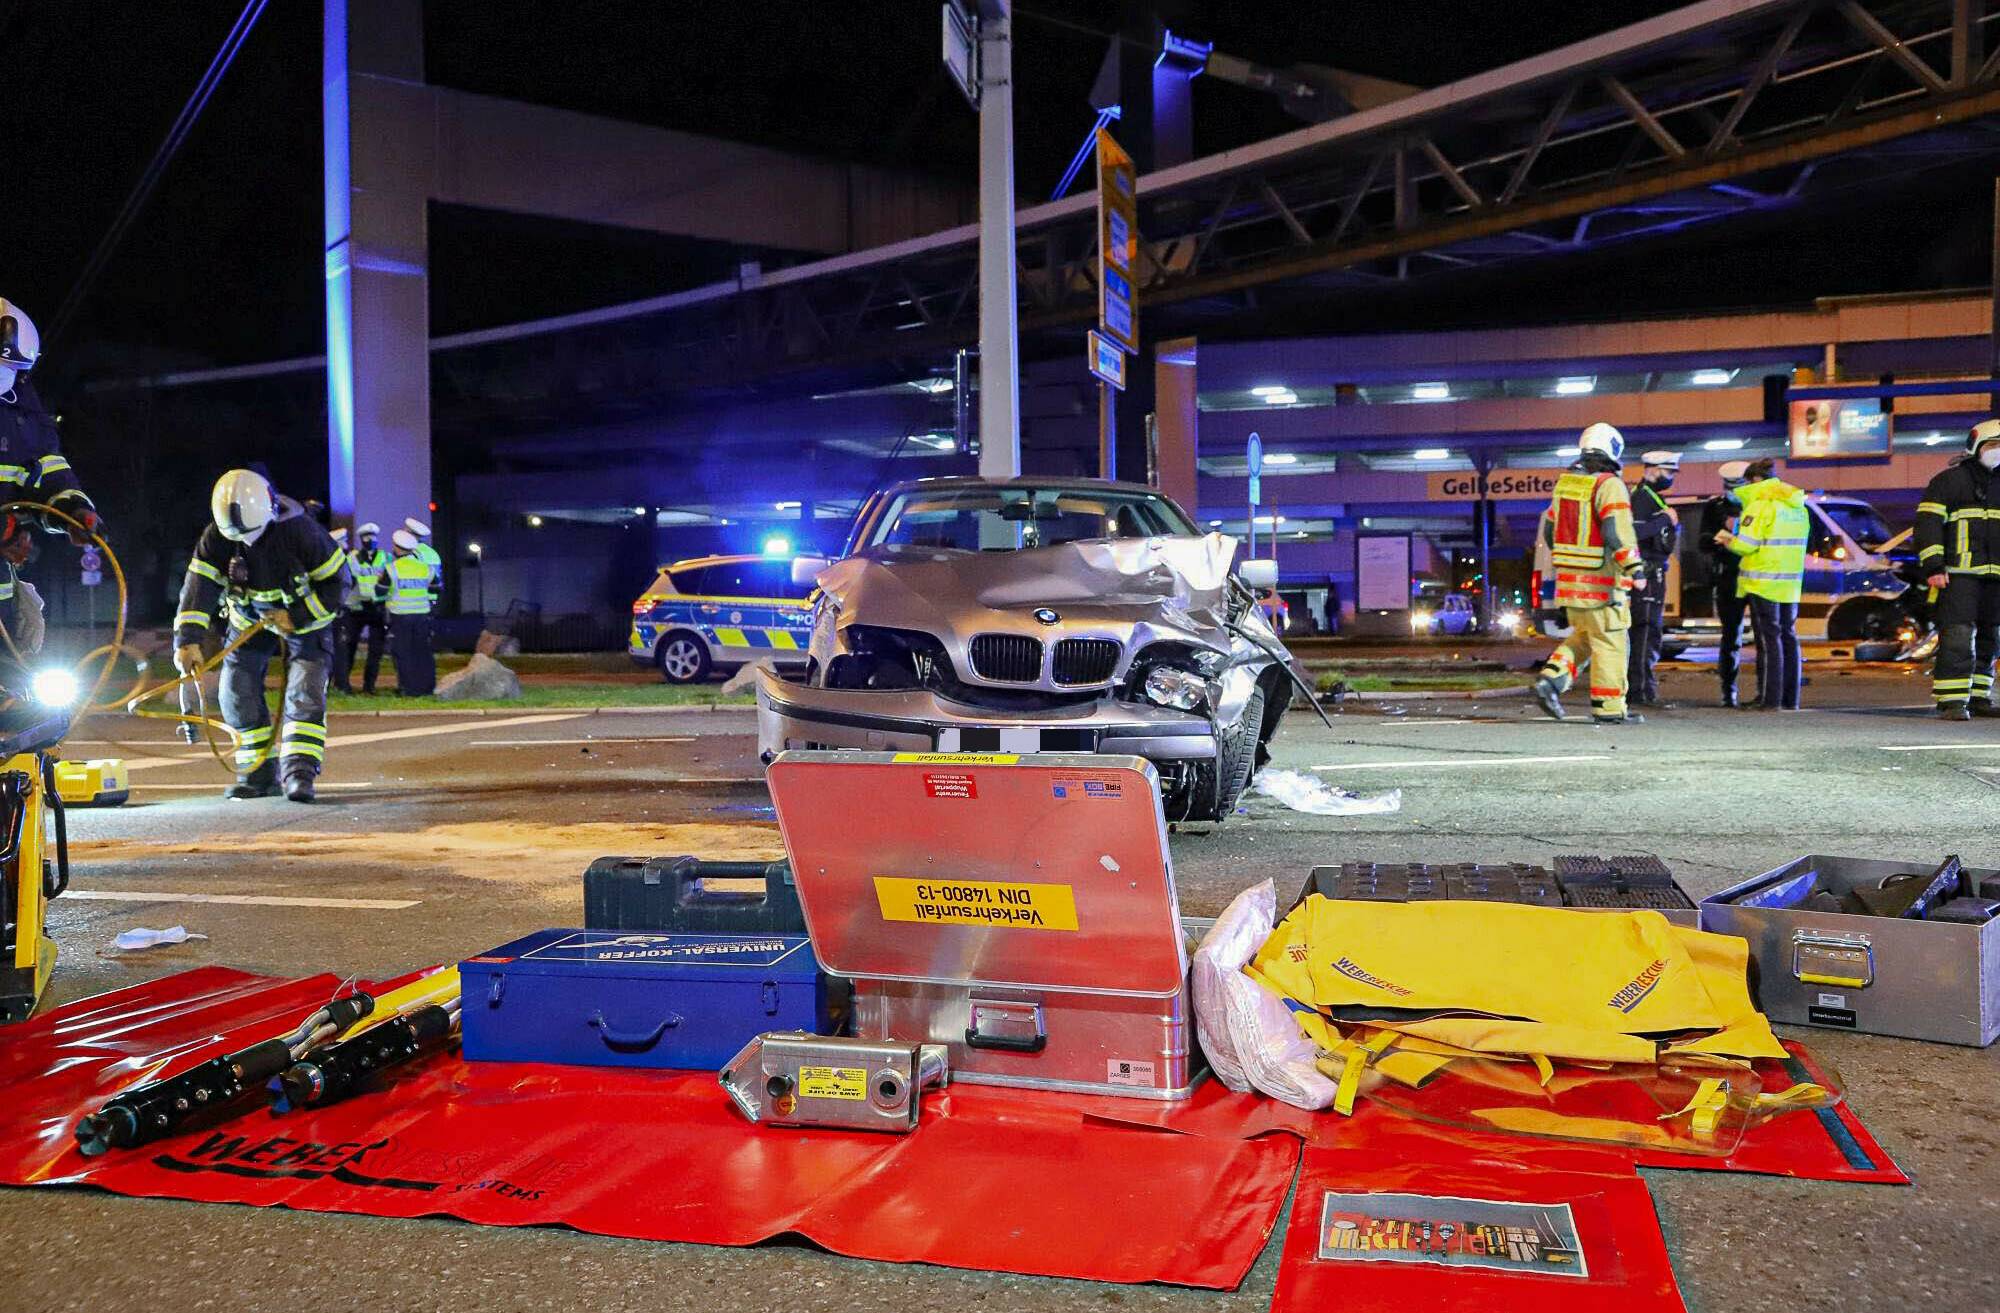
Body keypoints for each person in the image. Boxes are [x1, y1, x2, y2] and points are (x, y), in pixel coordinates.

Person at [173, 470, 349, 802]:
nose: (246, 543)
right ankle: (258, 774)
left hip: (305, 624)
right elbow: (198, 590)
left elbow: (339, 585)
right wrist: (187, 641)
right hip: (248, 620)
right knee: (235, 690)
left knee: (304, 692)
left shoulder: (302, 533)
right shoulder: (217, 537)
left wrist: (296, 616)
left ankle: (299, 774)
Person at [0, 296, 104, 651]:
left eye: (13, 369)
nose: (9, 379)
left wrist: (73, 511)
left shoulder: (20, 406)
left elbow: (47, 468)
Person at [1530, 422, 1647, 724]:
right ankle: (1609, 709)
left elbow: (1550, 532)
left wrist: (1571, 564)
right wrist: (1635, 568)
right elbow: (1616, 531)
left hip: (1571, 586)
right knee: (1610, 642)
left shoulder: (1566, 486)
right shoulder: (1610, 485)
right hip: (1603, 585)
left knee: (1584, 637)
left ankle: (1550, 680)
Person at [1914, 418, 2000, 720]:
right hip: (1959, 574)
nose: (1998, 451)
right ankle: (1951, 701)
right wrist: (1933, 566)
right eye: (1993, 445)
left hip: (1996, 576)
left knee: (1992, 636)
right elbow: (1928, 525)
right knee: (1957, 635)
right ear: (1976, 447)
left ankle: (1979, 697)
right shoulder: (1949, 482)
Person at [1714, 457, 1807, 712]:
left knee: (1769, 640)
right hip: (1789, 582)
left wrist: (1728, 540)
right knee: (1789, 636)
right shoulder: (1795, 504)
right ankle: (1790, 699)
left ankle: (1770, 698)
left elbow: (1747, 545)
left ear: (1754, 480)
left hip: (1763, 581)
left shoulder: (1759, 505)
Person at [1626, 451, 1680, 708]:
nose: (1671, 477)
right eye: (1668, 472)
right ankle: (1640, 691)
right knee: (1646, 631)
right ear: (1653, 470)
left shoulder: (1652, 496)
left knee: (1650, 632)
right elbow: (1635, 532)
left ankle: (1644, 688)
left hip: (1653, 572)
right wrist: (1665, 519)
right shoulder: (1643, 497)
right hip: (1647, 573)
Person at [1698, 460, 1753, 706]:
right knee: (1731, 635)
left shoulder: (1757, 506)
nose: (1731, 492)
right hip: (1728, 576)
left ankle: (1766, 692)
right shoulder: (1715, 507)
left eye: (1736, 487)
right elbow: (1702, 542)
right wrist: (1721, 537)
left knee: (1763, 636)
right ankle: (1728, 691)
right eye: (1728, 487)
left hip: (1755, 574)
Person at [335, 521, 390, 695]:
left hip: (377, 607)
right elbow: (349, 581)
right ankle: (343, 684)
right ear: (361, 540)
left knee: (376, 650)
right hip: (356, 608)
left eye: (372, 539)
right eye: (367, 539)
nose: (370, 542)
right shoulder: (352, 557)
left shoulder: (386, 557)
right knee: (349, 647)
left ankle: (369, 686)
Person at [387, 528, 439, 697]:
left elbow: (380, 591)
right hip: (422, 614)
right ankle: (427, 687)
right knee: (423, 651)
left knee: (403, 653)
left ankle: (408, 689)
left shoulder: (392, 568)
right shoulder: (425, 567)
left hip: (400, 616)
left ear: (397, 548)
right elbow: (437, 588)